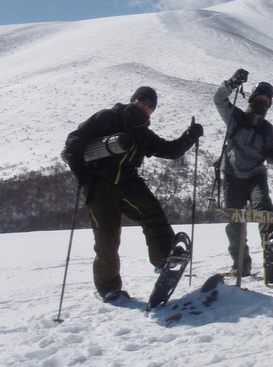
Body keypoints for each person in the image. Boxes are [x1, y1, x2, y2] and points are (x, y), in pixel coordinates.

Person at [61, 86, 203, 302]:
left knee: (152, 212)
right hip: (99, 182)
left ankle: (164, 256)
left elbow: (170, 151)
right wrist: (83, 177)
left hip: (128, 181)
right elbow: (74, 142)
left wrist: (189, 136)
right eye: (142, 101)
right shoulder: (108, 117)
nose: (145, 106)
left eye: (150, 105)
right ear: (133, 100)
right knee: (107, 239)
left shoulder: (142, 133)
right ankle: (109, 289)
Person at [213, 68, 273, 275]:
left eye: (267, 99)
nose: (263, 101)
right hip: (232, 175)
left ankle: (272, 239)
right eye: (261, 97)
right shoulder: (236, 118)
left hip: (255, 175)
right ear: (253, 96)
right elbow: (219, 100)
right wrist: (231, 83)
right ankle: (240, 263)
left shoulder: (267, 129)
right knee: (234, 220)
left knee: (263, 208)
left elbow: (269, 158)